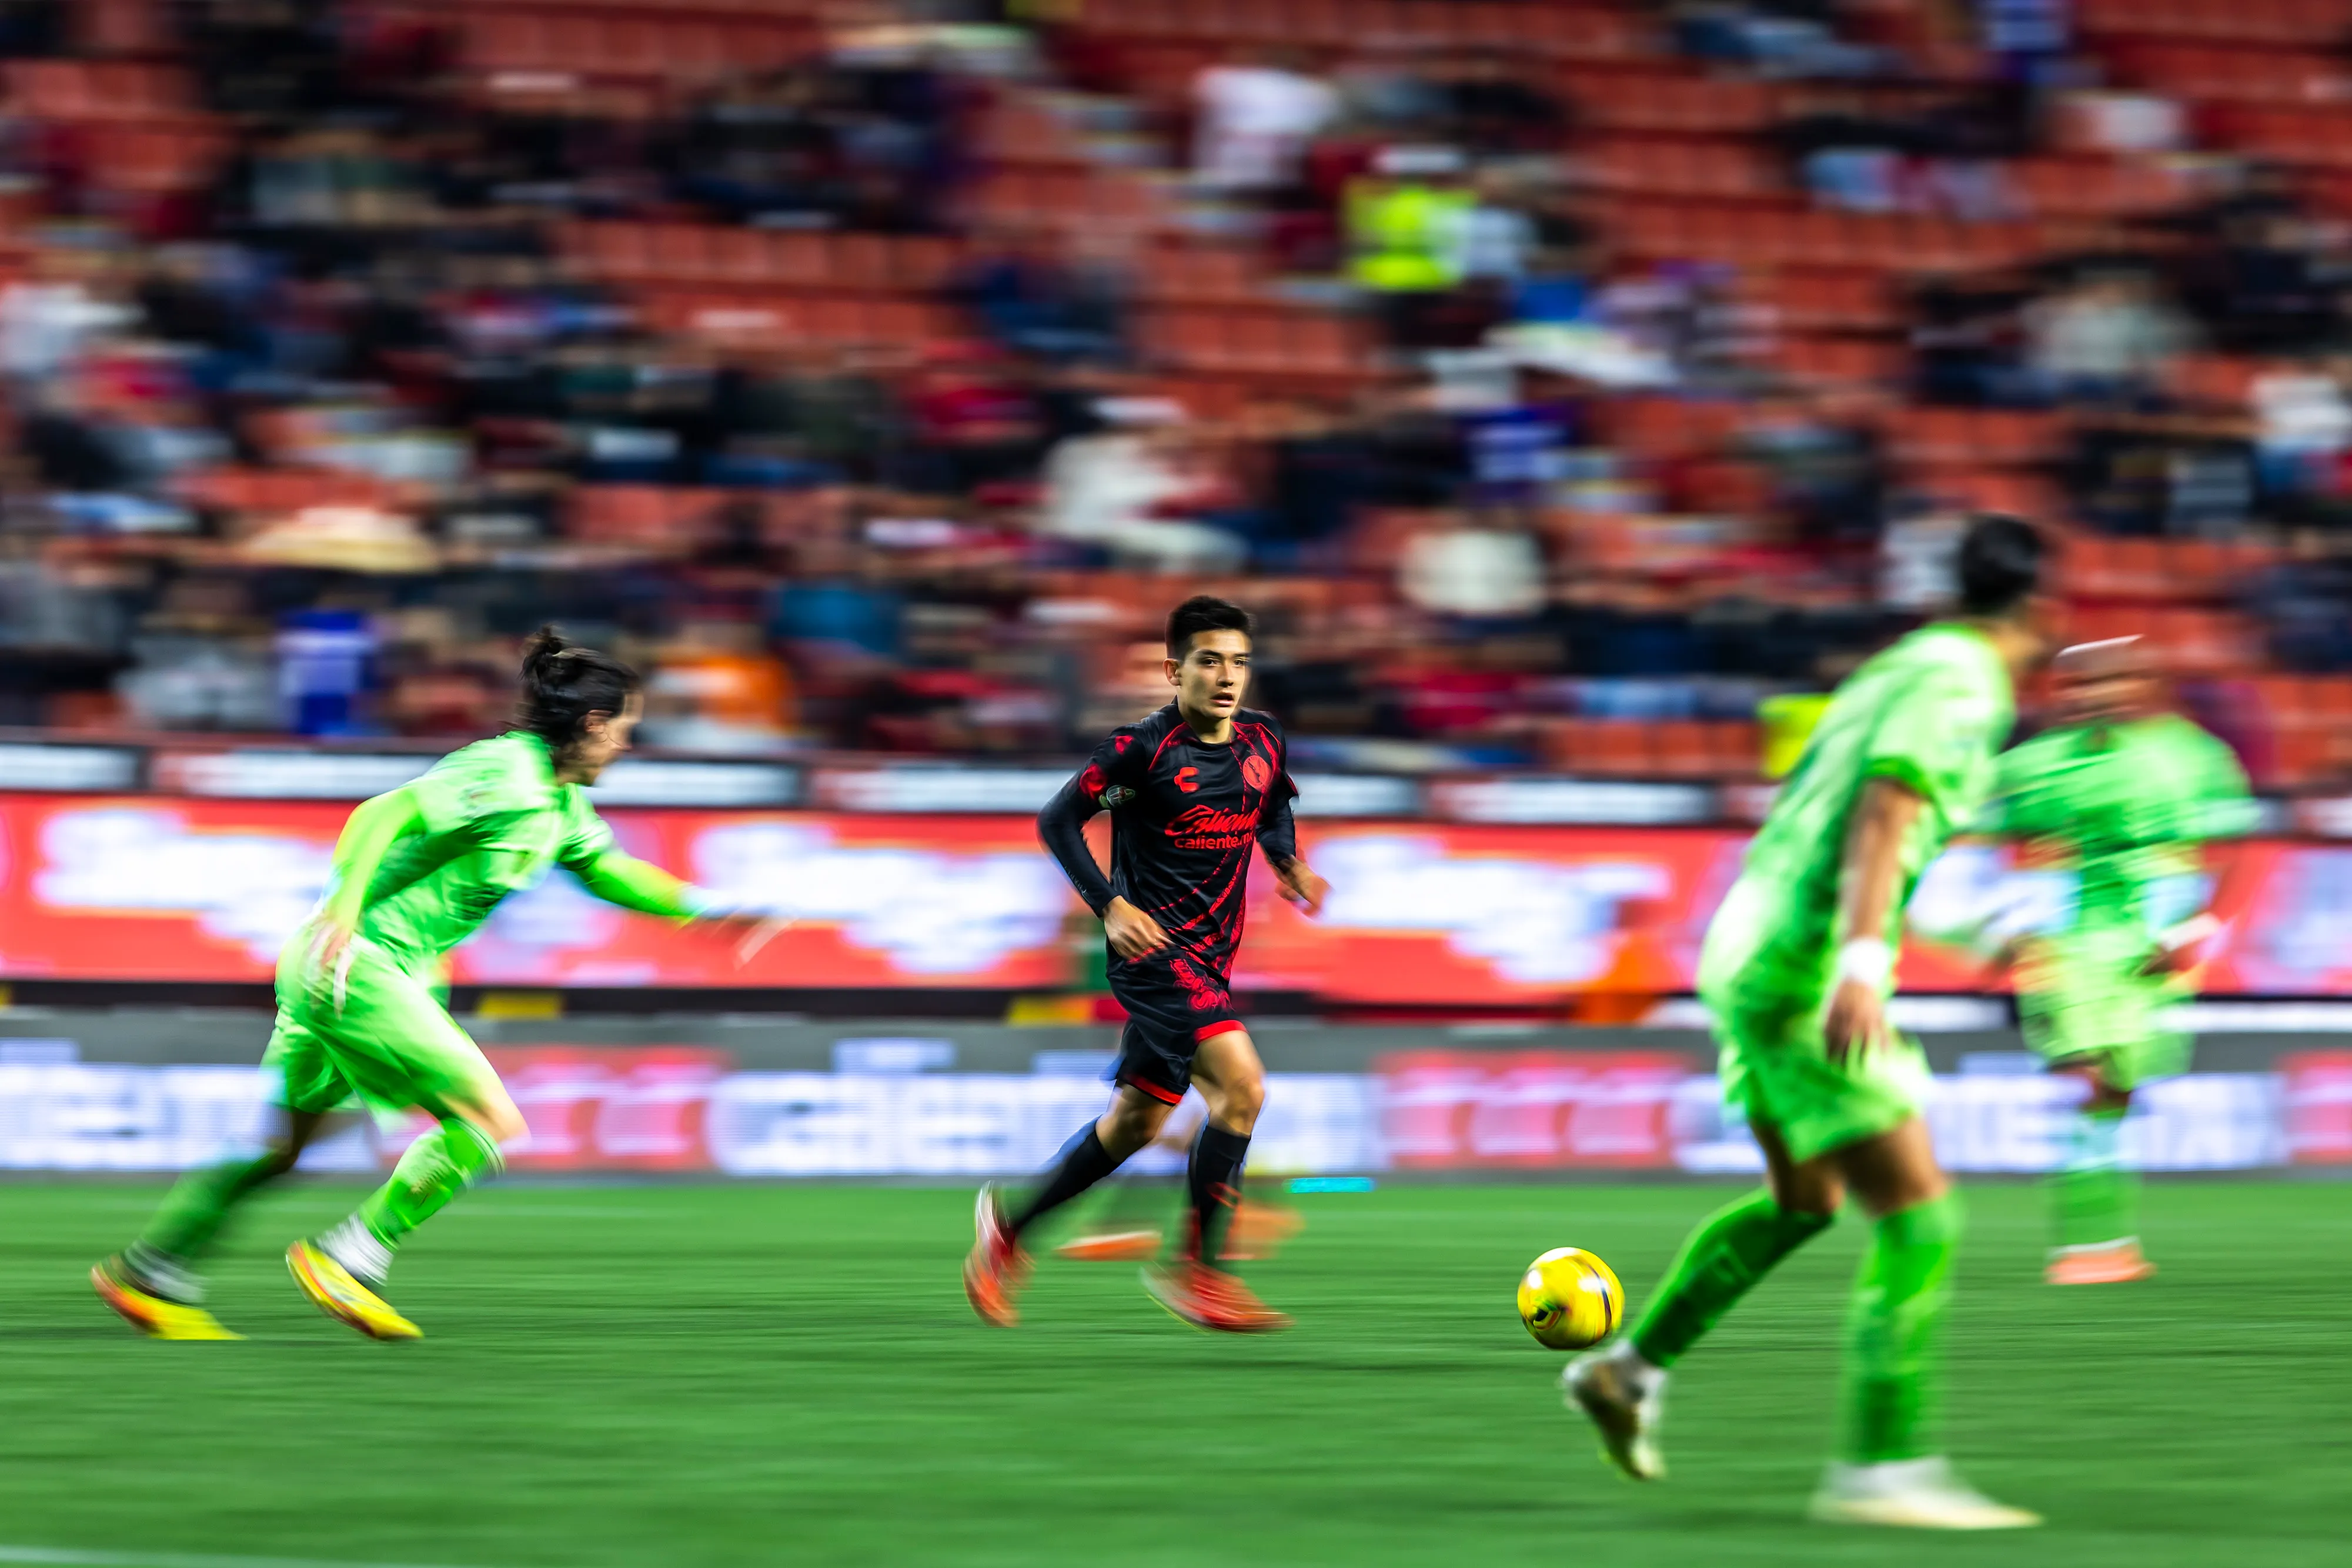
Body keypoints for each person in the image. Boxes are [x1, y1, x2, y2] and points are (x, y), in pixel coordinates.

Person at [1564, 513, 2056, 1529]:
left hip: (1745, 939)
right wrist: (1864, 963)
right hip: (1799, 965)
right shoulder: (1967, 683)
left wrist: (1973, 937)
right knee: (1919, 1214)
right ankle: (1884, 1467)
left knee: (1803, 1200)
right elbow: (1883, 814)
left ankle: (1627, 1371)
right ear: (2038, 613)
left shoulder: (1896, 669)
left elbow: (1854, 830)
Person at [92, 627, 769, 1341]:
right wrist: (346, 917)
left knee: (277, 1147)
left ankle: (149, 1274)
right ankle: (348, 1259)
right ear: (593, 724)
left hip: (350, 970)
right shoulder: (506, 772)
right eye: (625, 731)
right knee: (485, 1121)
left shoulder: (560, 806)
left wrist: (707, 907)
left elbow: (611, 871)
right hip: (360, 964)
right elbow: (382, 813)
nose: (627, 747)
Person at [964, 595, 1329, 1332]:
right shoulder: (1141, 754)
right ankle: (1198, 1275)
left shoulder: (1263, 740)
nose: (1226, 677)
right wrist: (1108, 904)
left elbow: (1272, 803)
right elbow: (1058, 819)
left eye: (1238, 662)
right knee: (1243, 1088)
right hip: (1153, 957)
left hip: (1211, 963)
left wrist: (1285, 859)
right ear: (1174, 670)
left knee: (1132, 1124)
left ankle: (1008, 1231)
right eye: (1208, 661)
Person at [1990, 636, 2254, 1285]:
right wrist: (2020, 929)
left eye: (2102, 685)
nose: (2089, 699)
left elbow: (2234, 845)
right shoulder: (2030, 766)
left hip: (2152, 946)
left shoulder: (2191, 757)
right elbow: (1999, 847)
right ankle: (2081, 1246)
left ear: (2137, 686)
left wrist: (2197, 926)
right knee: (2085, 1075)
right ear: (2055, 695)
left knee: (2117, 1086)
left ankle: (2105, 1242)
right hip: (2069, 940)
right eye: (2074, 688)